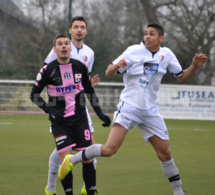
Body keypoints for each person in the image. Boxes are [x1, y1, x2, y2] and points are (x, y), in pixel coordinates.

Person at [58, 23, 208, 195]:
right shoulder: (133, 51)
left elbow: (181, 77)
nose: (147, 36)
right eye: (145, 33)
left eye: (152, 34)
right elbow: (108, 71)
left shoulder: (167, 55)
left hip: (150, 111)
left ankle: (179, 192)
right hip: (129, 108)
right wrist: (115, 66)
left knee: (165, 152)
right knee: (109, 150)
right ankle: (72, 160)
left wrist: (195, 66)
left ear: (161, 38)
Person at [30, 34, 111, 195]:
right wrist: (50, 110)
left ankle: (90, 191)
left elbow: (89, 91)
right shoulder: (48, 70)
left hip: (80, 120)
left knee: (88, 159)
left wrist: (100, 113)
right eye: (60, 44)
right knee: (66, 161)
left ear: (70, 48)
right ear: (55, 49)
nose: (64, 46)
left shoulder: (80, 66)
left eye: (66, 43)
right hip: (60, 123)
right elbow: (34, 95)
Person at [44, 16, 100, 195]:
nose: (79, 30)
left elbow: (83, 82)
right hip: (61, 109)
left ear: (86, 31)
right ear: (70, 30)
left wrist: (88, 85)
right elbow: (47, 74)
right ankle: (77, 189)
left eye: (82, 27)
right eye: (76, 27)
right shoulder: (59, 49)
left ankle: (83, 189)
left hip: (79, 108)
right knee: (72, 152)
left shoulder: (89, 53)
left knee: (78, 151)